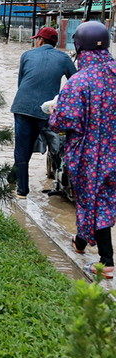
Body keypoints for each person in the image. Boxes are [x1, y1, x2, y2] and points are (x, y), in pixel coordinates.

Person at [49, 21, 116, 278]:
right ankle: (80, 241)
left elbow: (60, 122)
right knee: (106, 201)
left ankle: (106, 262)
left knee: (94, 201)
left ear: (79, 47)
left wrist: (54, 111)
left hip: (93, 155)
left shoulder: (80, 81)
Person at [10, 26, 77, 199]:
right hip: (45, 110)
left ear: (40, 40)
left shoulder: (27, 55)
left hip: (22, 106)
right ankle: (13, 177)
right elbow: (76, 83)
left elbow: (21, 82)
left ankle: (22, 190)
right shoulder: (64, 57)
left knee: (22, 147)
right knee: (28, 146)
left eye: (36, 39)